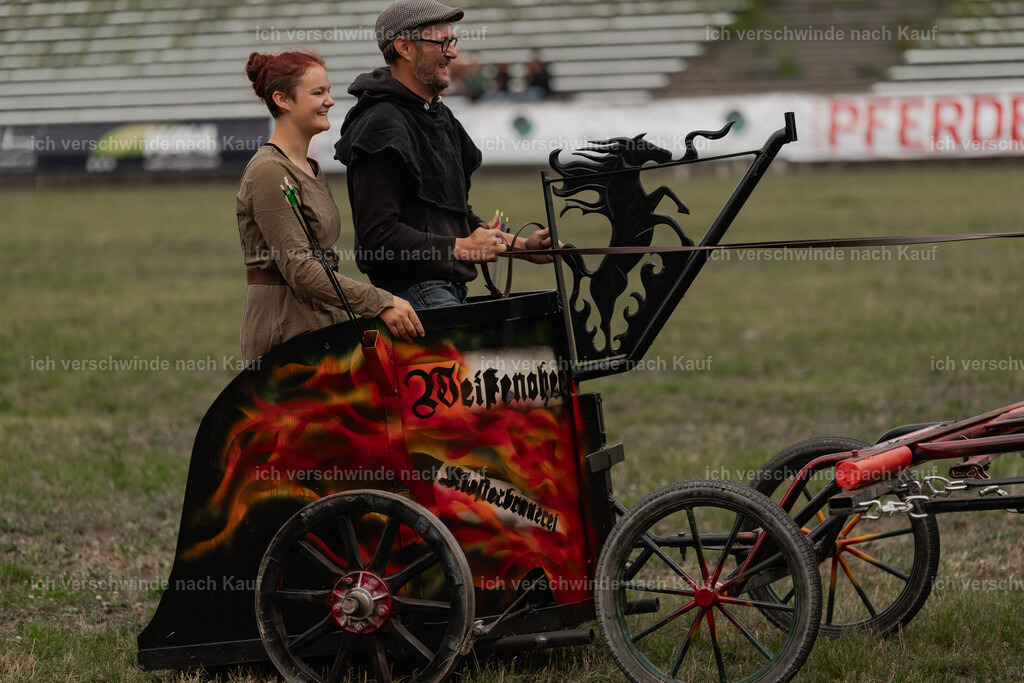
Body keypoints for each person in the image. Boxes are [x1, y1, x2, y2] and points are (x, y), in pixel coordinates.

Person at [334, 0, 555, 310]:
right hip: (414, 295)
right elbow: (377, 237)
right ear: (404, 48)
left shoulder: (440, 115)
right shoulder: (380, 125)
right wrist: (462, 247)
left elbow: (452, 213)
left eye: (452, 42)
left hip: (447, 289)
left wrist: (523, 247)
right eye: (442, 43)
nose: (452, 53)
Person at [238, 49, 423, 363]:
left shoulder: (308, 166)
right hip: (286, 328)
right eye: (318, 92)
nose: (330, 101)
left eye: (328, 91)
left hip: (321, 318)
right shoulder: (269, 171)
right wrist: (380, 302)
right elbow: (299, 268)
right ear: (283, 100)